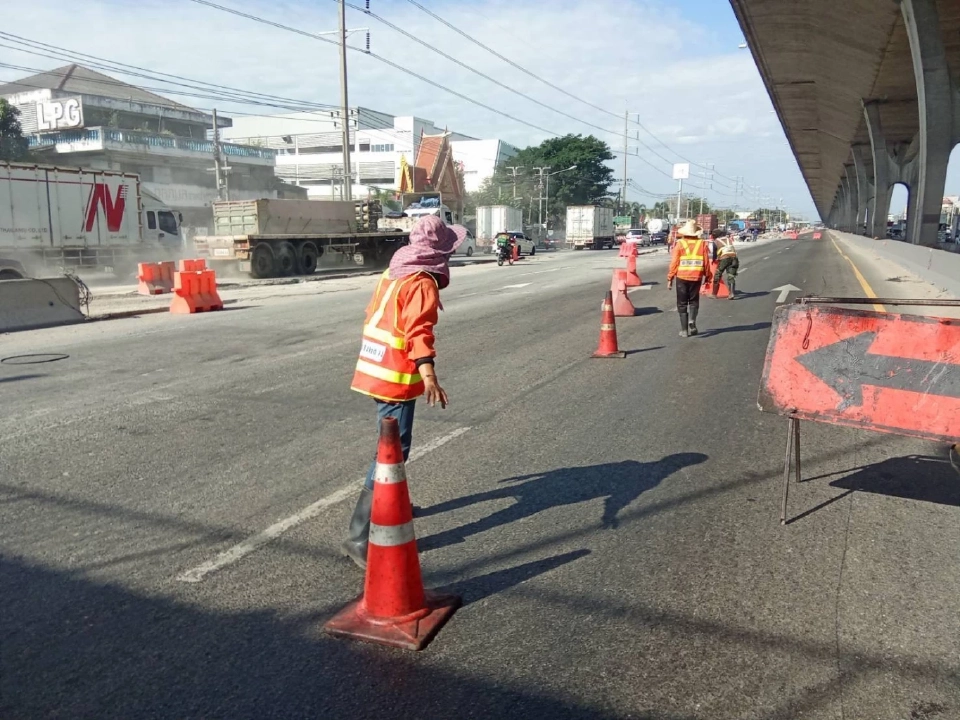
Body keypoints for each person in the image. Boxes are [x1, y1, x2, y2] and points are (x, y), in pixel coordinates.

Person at [341, 214, 467, 569]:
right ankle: (358, 536)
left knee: (391, 449)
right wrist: (429, 375)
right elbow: (418, 330)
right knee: (393, 452)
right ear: (441, 252)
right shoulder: (422, 282)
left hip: (374, 366)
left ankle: (392, 501)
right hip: (394, 375)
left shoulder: (395, 270)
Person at [667, 219, 713, 338]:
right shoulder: (702, 243)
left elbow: (674, 262)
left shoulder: (680, 244)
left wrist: (670, 278)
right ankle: (692, 320)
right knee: (694, 301)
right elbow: (706, 262)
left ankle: (684, 330)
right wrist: (708, 276)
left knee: (682, 303)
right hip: (696, 276)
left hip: (682, 277)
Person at [713, 233, 739, 300]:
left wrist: (714, 260)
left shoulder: (716, 241)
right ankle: (731, 293)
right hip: (734, 258)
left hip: (724, 259)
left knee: (718, 274)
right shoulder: (728, 239)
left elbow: (714, 254)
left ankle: (714, 294)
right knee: (731, 276)